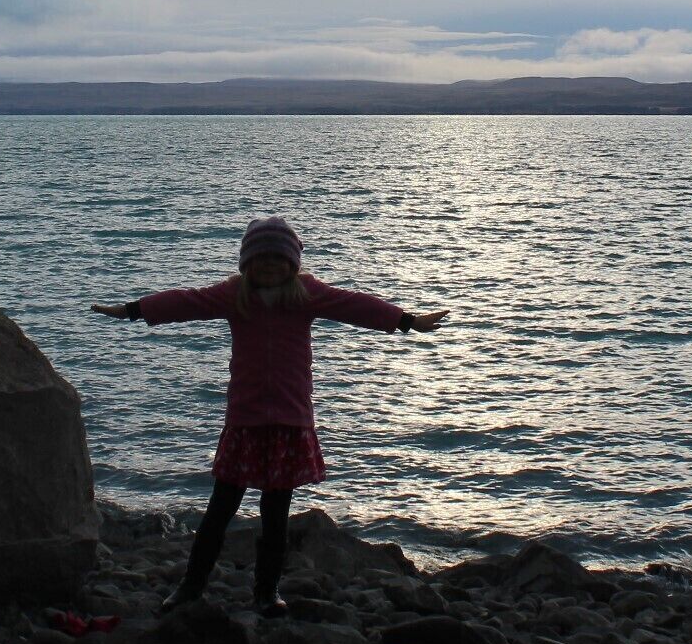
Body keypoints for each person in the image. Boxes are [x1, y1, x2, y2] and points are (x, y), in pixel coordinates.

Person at [93, 215, 448, 617]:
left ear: (293, 264)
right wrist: (132, 310)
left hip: (288, 422)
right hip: (244, 422)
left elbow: (354, 305)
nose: (269, 267)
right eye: (261, 260)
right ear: (247, 264)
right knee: (219, 511)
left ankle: (267, 592)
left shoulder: (306, 295)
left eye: (278, 261)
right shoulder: (233, 295)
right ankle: (191, 587)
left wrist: (406, 321)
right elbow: (184, 301)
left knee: (275, 515)